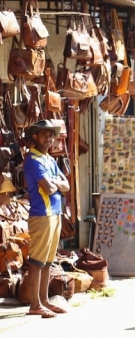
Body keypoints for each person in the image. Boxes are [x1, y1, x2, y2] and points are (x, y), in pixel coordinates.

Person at [24, 120, 69, 318]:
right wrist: (55, 184)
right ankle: (35, 304)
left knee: (48, 261)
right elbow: (49, 188)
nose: (48, 138)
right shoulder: (33, 159)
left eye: (51, 135)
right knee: (37, 261)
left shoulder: (50, 159)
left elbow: (65, 185)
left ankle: (44, 300)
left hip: (55, 213)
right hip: (42, 214)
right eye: (44, 134)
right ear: (35, 136)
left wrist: (54, 183)